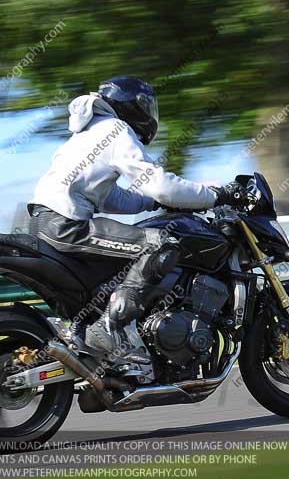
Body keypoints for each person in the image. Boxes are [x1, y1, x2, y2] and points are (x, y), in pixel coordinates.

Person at [28, 76, 245, 365]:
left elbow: (111, 198)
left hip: (45, 222)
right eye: (146, 106)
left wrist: (155, 202)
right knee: (162, 244)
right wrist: (214, 195)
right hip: (67, 225)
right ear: (133, 105)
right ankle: (109, 328)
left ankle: (88, 334)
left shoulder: (87, 133)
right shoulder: (116, 130)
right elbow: (160, 183)